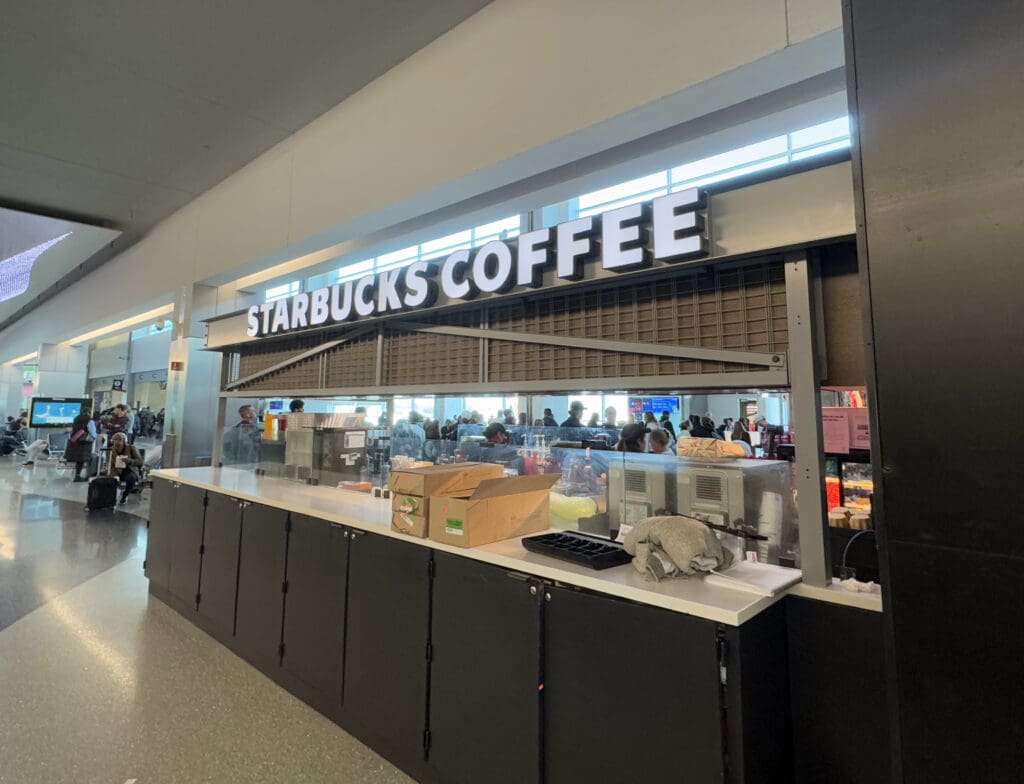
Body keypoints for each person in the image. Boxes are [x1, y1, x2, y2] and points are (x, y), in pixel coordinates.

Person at [106, 432, 143, 504]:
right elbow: (110, 464)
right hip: (117, 470)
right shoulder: (110, 450)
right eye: (115, 440)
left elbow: (140, 461)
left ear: (124, 441)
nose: (117, 442)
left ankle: (125, 495)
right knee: (112, 480)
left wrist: (129, 461)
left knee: (131, 478)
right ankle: (111, 497)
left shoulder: (131, 448)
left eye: (119, 439)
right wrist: (114, 475)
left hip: (129, 470)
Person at [65, 405, 97, 482]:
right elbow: (93, 432)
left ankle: (76, 475)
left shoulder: (76, 418)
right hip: (84, 442)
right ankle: (80, 476)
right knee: (82, 460)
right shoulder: (90, 420)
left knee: (78, 460)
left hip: (75, 441)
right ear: (89, 412)